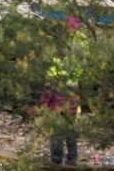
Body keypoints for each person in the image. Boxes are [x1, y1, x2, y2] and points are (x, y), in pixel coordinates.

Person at [41, 15, 84, 166]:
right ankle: (72, 158)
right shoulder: (75, 61)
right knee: (70, 130)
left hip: (58, 102)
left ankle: (56, 159)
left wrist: (44, 103)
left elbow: (49, 86)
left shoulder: (55, 64)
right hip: (72, 100)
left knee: (56, 132)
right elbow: (78, 83)